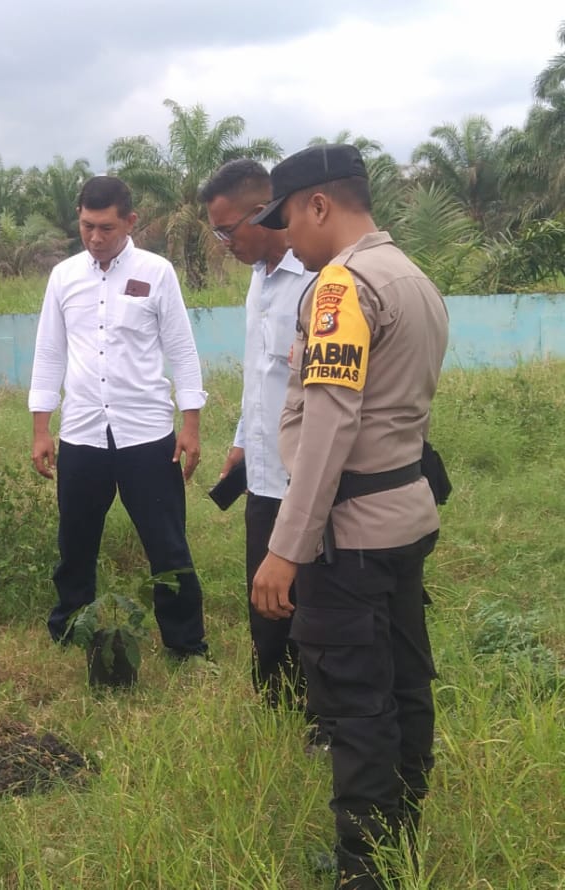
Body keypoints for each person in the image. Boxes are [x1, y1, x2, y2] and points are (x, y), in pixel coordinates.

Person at [249, 145, 449, 890]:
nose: (286, 237)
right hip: (403, 520)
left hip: (350, 539)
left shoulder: (341, 287)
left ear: (320, 206)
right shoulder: (412, 277)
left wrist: (285, 549)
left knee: (356, 707)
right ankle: (403, 846)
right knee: (404, 690)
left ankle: (365, 874)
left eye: (288, 218)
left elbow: (330, 426)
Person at [29, 175, 209, 659]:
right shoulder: (64, 277)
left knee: (167, 544)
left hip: (148, 436)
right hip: (83, 433)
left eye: (106, 227)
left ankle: (185, 645)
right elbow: (49, 352)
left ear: (130, 222)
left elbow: (182, 350)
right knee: (76, 541)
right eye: (87, 226)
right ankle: (71, 629)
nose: (95, 237)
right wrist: (42, 429)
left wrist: (190, 425)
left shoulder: (157, 272)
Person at [199, 161, 318, 717]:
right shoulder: (259, 280)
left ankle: (325, 714)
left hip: (309, 478)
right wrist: (242, 443)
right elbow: (260, 377)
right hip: (265, 477)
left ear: (264, 210)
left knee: (315, 602)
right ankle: (276, 707)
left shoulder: (318, 279)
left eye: (228, 230)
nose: (224, 243)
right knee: (266, 600)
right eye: (216, 232)